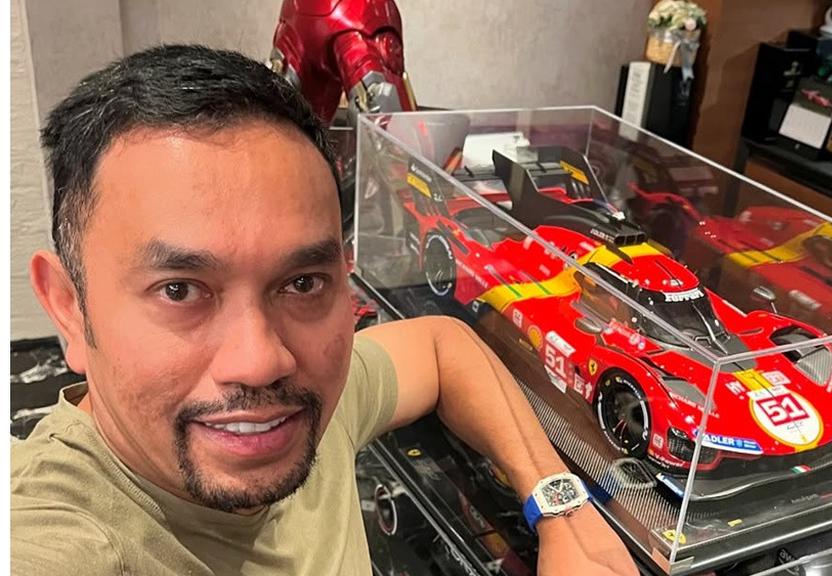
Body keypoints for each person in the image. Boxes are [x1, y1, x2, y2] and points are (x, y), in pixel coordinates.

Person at [12, 44, 637, 576]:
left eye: (302, 282)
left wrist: (564, 511)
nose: (261, 362)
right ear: (69, 308)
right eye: (180, 290)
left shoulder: (312, 403)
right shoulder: (55, 539)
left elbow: (441, 345)